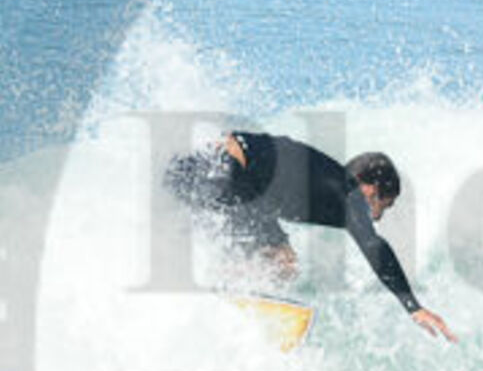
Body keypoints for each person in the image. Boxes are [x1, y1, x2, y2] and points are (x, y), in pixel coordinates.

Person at [166, 130, 456, 341]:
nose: (377, 217)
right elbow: (373, 244)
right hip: (230, 171)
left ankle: (205, 288)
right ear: (371, 189)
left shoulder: (321, 181)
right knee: (283, 264)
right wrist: (413, 307)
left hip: (198, 168)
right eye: (383, 205)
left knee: (240, 248)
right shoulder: (349, 193)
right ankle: (219, 290)